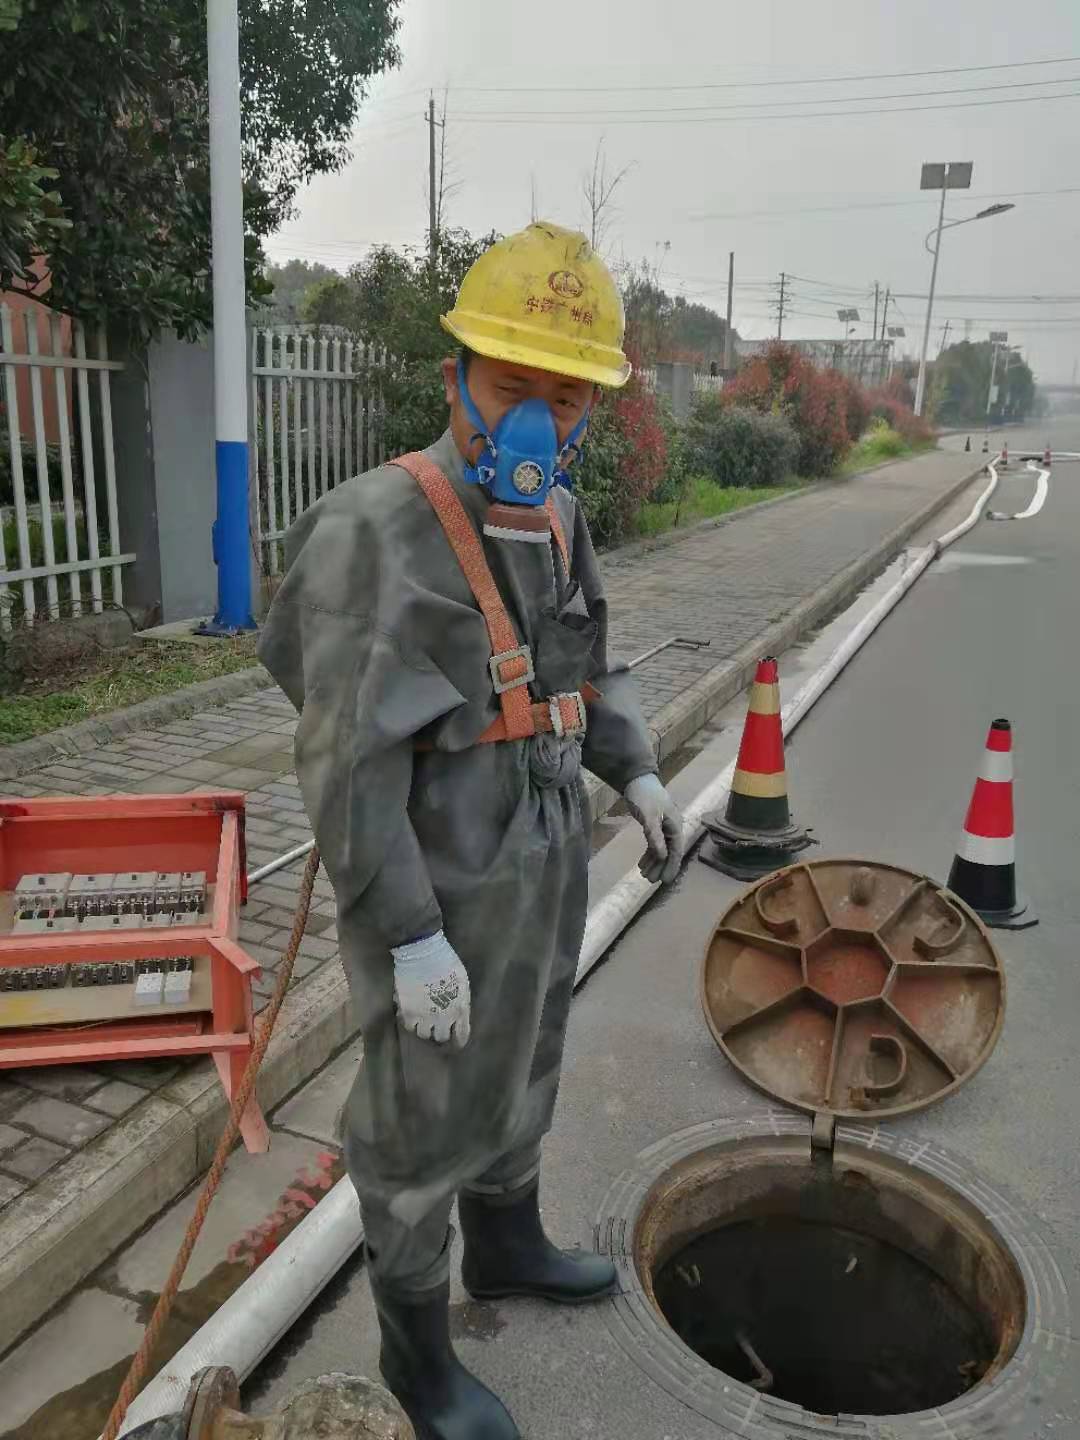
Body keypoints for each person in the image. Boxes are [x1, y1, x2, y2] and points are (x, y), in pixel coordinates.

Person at [258, 220, 684, 1440]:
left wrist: (636, 772)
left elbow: (586, 666)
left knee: (527, 1050)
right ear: (456, 379)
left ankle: (505, 1247)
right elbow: (346, 760)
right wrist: (407, 933)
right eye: (511, 389)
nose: (536, 425)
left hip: (543, 852)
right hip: (433, 875)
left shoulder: (557, 521)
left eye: (567, 399)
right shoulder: (374, 529)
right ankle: (419, 1364)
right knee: (419, 1114)